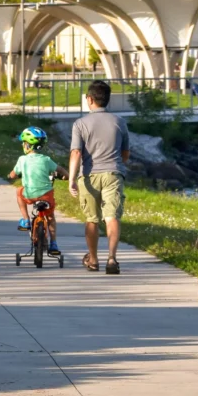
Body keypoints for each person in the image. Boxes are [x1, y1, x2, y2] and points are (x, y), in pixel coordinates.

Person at [68, 81, 130, 275]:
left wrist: (71, 180)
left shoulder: (80, 124)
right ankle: (112, 258)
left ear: (90, 99)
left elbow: (76, 153)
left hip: (89, 175)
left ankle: (93, 259)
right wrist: (118, 166)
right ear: (107, 99)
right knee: (112, 216)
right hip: (113, 173)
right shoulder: (119, 122)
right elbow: (125, 153)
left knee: (92, 219)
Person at [8, 126, 69, 254]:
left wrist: (10, 176)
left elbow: (13, 174)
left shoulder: (22, 160)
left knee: (19, 191)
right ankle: (53, 244)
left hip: (29, 195)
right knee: (51, 217)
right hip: (46, 196)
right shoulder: (46, 160)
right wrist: (67, 177)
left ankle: (25, 220)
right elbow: (60, 170)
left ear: (27, 145)